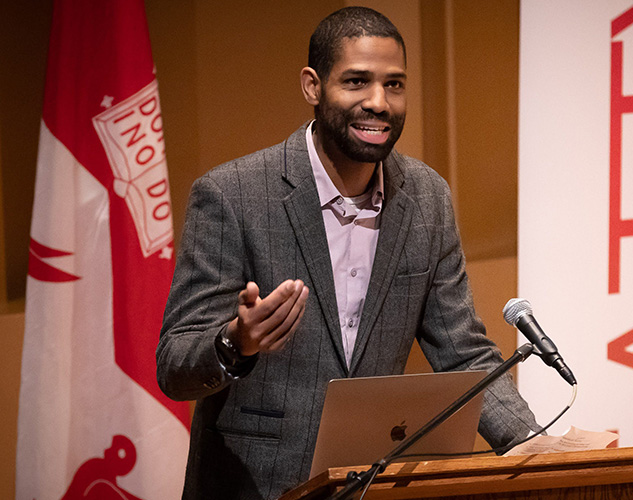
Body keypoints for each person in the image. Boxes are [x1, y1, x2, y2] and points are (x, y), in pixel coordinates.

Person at [157, 6, 539, 499]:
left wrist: (531, 441)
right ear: (313, 86)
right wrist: (236, 341)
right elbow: (174, 362)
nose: (379, 103)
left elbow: (462, 351)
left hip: (369, 485)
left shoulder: (426, 197)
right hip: (256, 485)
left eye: (394, 85)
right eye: (357, 82)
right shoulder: (232, 195)